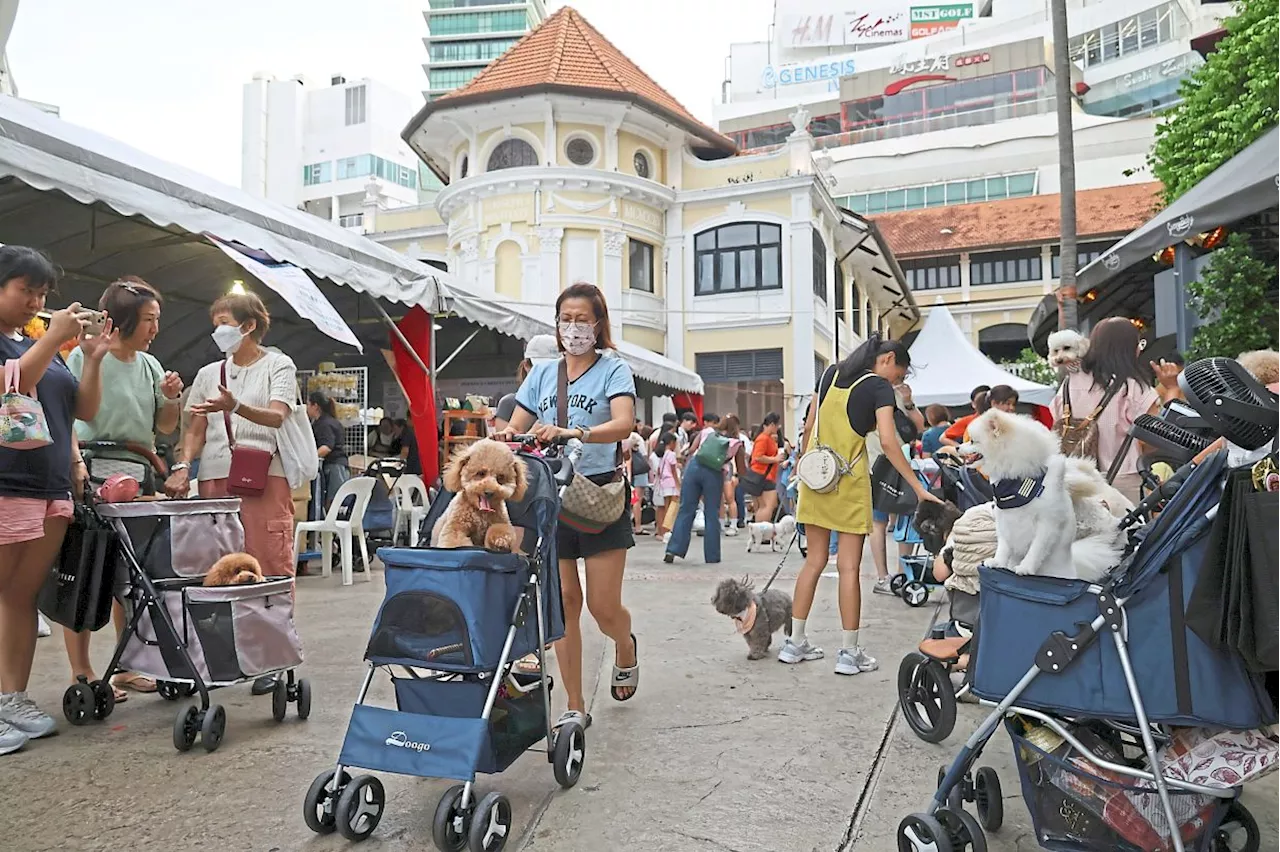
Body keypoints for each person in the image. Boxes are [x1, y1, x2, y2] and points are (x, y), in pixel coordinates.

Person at [494, 282, 639, 729]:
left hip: (599, 497)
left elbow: (623, 423)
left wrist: (576, 434)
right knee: (563, 604)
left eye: (582, 319)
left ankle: (625, 645)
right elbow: (514, 426)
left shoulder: (613, 370)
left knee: (602, 606)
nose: (573, 328)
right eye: (566, 319)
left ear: (598, 325)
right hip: (550, 500)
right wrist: (501, 437)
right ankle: (574, 704)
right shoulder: (542, 375)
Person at [0, 246, 113, 754]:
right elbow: (16, 383)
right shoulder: (23, 347)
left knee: (21, 598)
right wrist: (55, 337)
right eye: (26, 289)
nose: (36, 301)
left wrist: (90, 358)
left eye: (42, 293)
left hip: (48, 488)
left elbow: (81, 408)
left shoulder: (34, 341)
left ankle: (12, 699)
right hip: (6, 483)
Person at [164, 292, 300, 695]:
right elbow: (195, 429)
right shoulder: (208, 374)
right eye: (215, 322)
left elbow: (277, 415)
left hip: (263, 474)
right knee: (216, 565)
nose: (218, 330)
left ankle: (273, 655)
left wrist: (236, 405)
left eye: (225, 321)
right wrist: (183, 465)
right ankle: (218, 652)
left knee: (269, 561)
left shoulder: (279, 365)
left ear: (249, 325)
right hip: (215, 479)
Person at [781, 333, 941, 675]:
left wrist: (801, 470)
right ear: (886, 361)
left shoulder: (829, 375)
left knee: (814, 562)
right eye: (897, 375)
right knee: (848, 568)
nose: (894, 383)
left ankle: (795, 643)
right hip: (848, 483)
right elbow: (888, 441)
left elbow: (809, 426)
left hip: (816, 477)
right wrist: (917, 487)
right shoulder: (878, 388)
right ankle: (849, 653)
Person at [64, 277, 184, 703]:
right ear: (124, 319)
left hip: (137, 472)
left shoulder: (151, 366)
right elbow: (76, 412)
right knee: (85, 568)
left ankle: (128, 665)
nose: (155, 328)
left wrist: (171, 399)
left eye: (157, 320)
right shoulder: (85, 356)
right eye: (149, 319)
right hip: (92, 468)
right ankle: (82, 671)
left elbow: (165, 427)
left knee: (132, 575)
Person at [1050, 317, 1160, 503]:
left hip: (1077, 482)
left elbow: (1057, 426)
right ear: (1129, 348)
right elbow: (1151, 441)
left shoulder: (1068, 385)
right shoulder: (1134, 388)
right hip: (1123, 482)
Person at [664, 414, 747, 565]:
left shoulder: (706, 432)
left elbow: (691, 450)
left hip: (694, 468)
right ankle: (712, 555)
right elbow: (742, 469)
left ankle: (673, 549)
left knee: (686, 509)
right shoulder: (736, 443)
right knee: (711, 512)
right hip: (714, 473)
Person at [494, 335, 559, 432]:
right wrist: (531, 433)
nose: (544, 373)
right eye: (538, 368)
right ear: (526, 366)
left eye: (552, 367)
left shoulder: (569, 401)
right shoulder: (509, 403)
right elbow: (503, 445)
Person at [308, 391, 349, 511]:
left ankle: (331, 529)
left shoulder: (324, 424)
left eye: (308, 404)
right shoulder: (330, 421)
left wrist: (311, 458)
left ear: (315, 406)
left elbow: (327, 446)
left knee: (333, 503)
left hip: (334, 467)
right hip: (338, 466)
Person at [750, 412, 786, 523]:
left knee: (765, 505)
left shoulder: (764, 438)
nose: (778, 428)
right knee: (767, 506)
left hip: (764, 475)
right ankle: (762, 531)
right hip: (764, 475)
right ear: (771, 425)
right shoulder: (763, 439)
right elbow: (757, 457)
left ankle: (760, 532)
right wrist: (774, 459)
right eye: (777, 425)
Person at [652, 431, 681, 543]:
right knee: (672, 508)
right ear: (672, 442)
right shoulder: (672, 454)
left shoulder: (663, 455)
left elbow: (659, 471)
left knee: (666, 508)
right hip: (671, 483)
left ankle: (664, 532)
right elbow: (673, 471)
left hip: (664, 483)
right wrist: (678, 484)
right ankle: (668, 531)